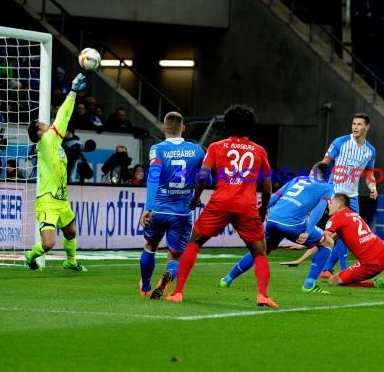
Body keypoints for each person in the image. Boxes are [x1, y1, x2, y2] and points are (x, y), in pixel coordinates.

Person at [165, 104, 278, 307]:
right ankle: (263, 295)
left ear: (227, 125)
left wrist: (195, 198)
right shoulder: (259, 151)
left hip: (221, 202)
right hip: (247, 205)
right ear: (250, 126)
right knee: (260, 252)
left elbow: (202, 177)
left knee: (195, 242)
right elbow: (268, 187)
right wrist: (263, 208)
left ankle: (178, 291)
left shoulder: (216, 147)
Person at [219, 161, 335, 294]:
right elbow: (319, 210)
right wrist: (308, 231)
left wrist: (253, 217)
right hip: (293, 225)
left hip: (273, 220)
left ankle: (227, 279)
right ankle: (309, 285)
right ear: (327, 177)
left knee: (260, 250)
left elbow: (274, 197)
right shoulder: (326, 187)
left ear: (312, 172)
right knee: (328, 242)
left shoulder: (298, 179)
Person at [23, 73, 89, 272]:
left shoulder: (55, 142)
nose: (46, 124)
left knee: (70, 231)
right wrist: (73, 92)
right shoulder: (45, 141)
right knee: (49, 243)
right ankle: (29, 256)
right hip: (47, 200)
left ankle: (71, 261)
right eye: (42, 124)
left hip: (61, 199)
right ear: (39, 133)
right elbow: (63, 115)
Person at [139, 111, 205, 300]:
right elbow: (204, 177)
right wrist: (196, 198)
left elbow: (153, 176)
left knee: (150, 245)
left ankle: (145, 285)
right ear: (183, 128)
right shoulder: (197, 150)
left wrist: (149, 207)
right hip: (182, 212)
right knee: (175, 256)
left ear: (163, 128)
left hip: (159, 208)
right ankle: (168, 276)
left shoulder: (158, 149)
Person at [319, 112, 378, 279]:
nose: (355, 127)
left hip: (352, 196)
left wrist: (373, 187)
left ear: (367, 127)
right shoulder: (340, 142)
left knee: (349, 234)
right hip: (336, 193)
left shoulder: (370, 151)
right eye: (353, 124)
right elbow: (324, 162)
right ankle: (343, 269)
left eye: (359, 124)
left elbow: (369, 175)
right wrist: (318, 184)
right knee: (344, 232)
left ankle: (328, 268)